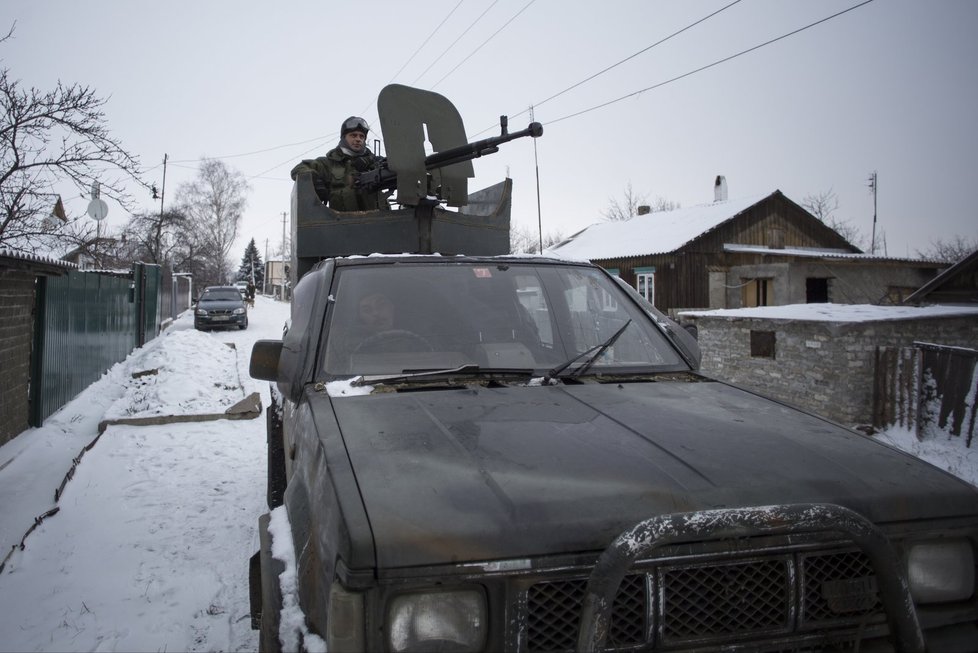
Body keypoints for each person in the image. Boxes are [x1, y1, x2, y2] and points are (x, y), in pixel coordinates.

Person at [290, 116, 389, 212]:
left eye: (361, 136)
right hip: (341, 223)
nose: (358, 139)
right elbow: (299, 169)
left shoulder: (376, 162)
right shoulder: (328, 163)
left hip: (379, 222)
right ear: (343, 138)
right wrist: (315, 179)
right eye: (353, 135)